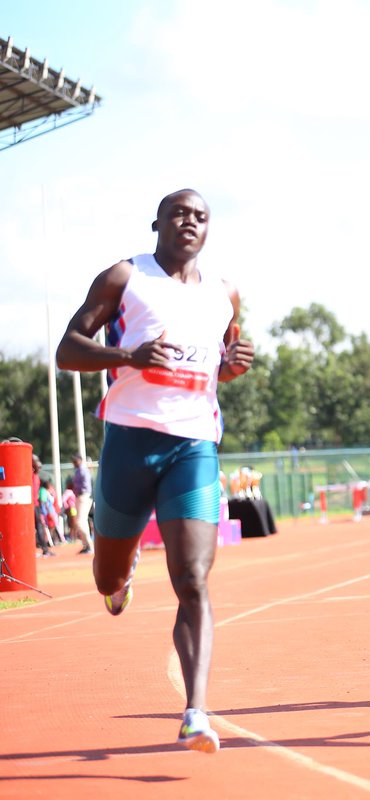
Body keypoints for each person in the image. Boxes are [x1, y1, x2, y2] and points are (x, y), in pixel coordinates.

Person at [55, 188, 254, 752]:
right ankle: (122, 571)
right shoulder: (126, 278)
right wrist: (128, 357)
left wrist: (233, 367)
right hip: (130, 441)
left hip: (194, 445)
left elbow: (222, 362)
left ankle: (196, 712)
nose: (189, 222)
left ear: (208, 229)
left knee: (193, 579)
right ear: (157, 224)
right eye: (178, 214)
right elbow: (67, 350)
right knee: (106, 579)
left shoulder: (225, 293)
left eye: (200, 216)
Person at [30, 455, 54, 557]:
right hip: (29, 506)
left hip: (36, 506)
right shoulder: (29, 475)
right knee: (35, 528)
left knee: (39, 527)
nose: (39, 468)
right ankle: (39, 549)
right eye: (37, 465)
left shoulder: (36, 476)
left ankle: (45, 549)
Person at [71, 454, 94, 554]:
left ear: (80, 460)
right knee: (81, 522)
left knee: (80, 522)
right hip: (80, 496)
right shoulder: (78, 471)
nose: (74, 463)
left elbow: (85, 486)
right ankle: (86, 545)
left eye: (75, 461)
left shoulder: (83, 470)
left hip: (84, 496)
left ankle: (89, 545)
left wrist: (80, 492)